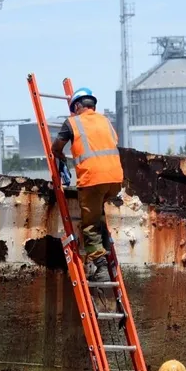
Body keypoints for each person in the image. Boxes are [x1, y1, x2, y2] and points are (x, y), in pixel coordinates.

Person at [50, 88, 124, 280]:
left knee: (90, 226)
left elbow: (56, 148)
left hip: (93, 180)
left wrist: (61, 159)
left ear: (76, 106)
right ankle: (109, 259)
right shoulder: (106, 121)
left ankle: (101, 268)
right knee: (98, 216)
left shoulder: (72, 122)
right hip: (115, 179)